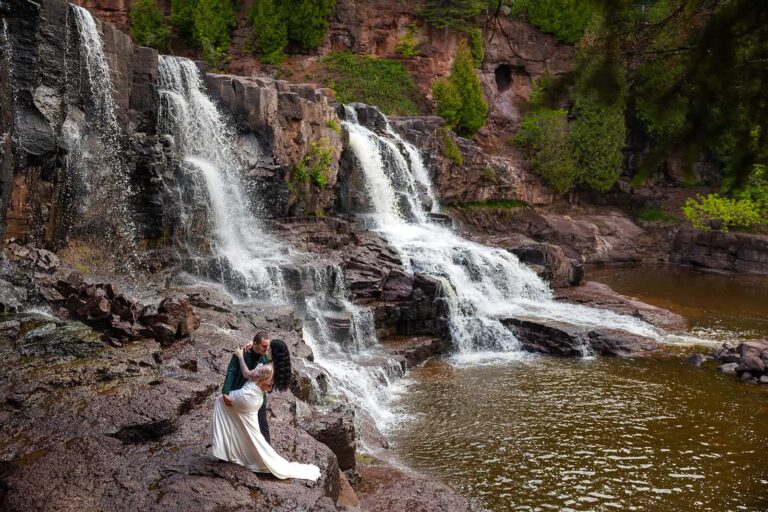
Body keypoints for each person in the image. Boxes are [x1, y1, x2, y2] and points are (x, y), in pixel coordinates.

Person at [210, 337, 320, 481]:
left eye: (269, 349)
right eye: (266, 347)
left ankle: (225, 451)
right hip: (256, 399)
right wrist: (251, 343)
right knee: (250, 429)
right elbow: (264, 379)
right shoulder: (277, 367)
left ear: (274, 352)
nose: (267, 350)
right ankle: (250, 455)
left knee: (220, 403)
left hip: (247, 396)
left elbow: (247, 374)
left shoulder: (268, 368)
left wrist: (240, 356)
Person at [222, 332, 272, 444]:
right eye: (264, 346)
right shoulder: (242, 352)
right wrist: (225, 391)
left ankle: (268, 449)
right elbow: (231, 371)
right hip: (239, 391)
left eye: (268, 346)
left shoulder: (265, 357)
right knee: (231, 421)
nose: (267, 349)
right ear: (255, 344)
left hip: (257, 395)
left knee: (262, 423)